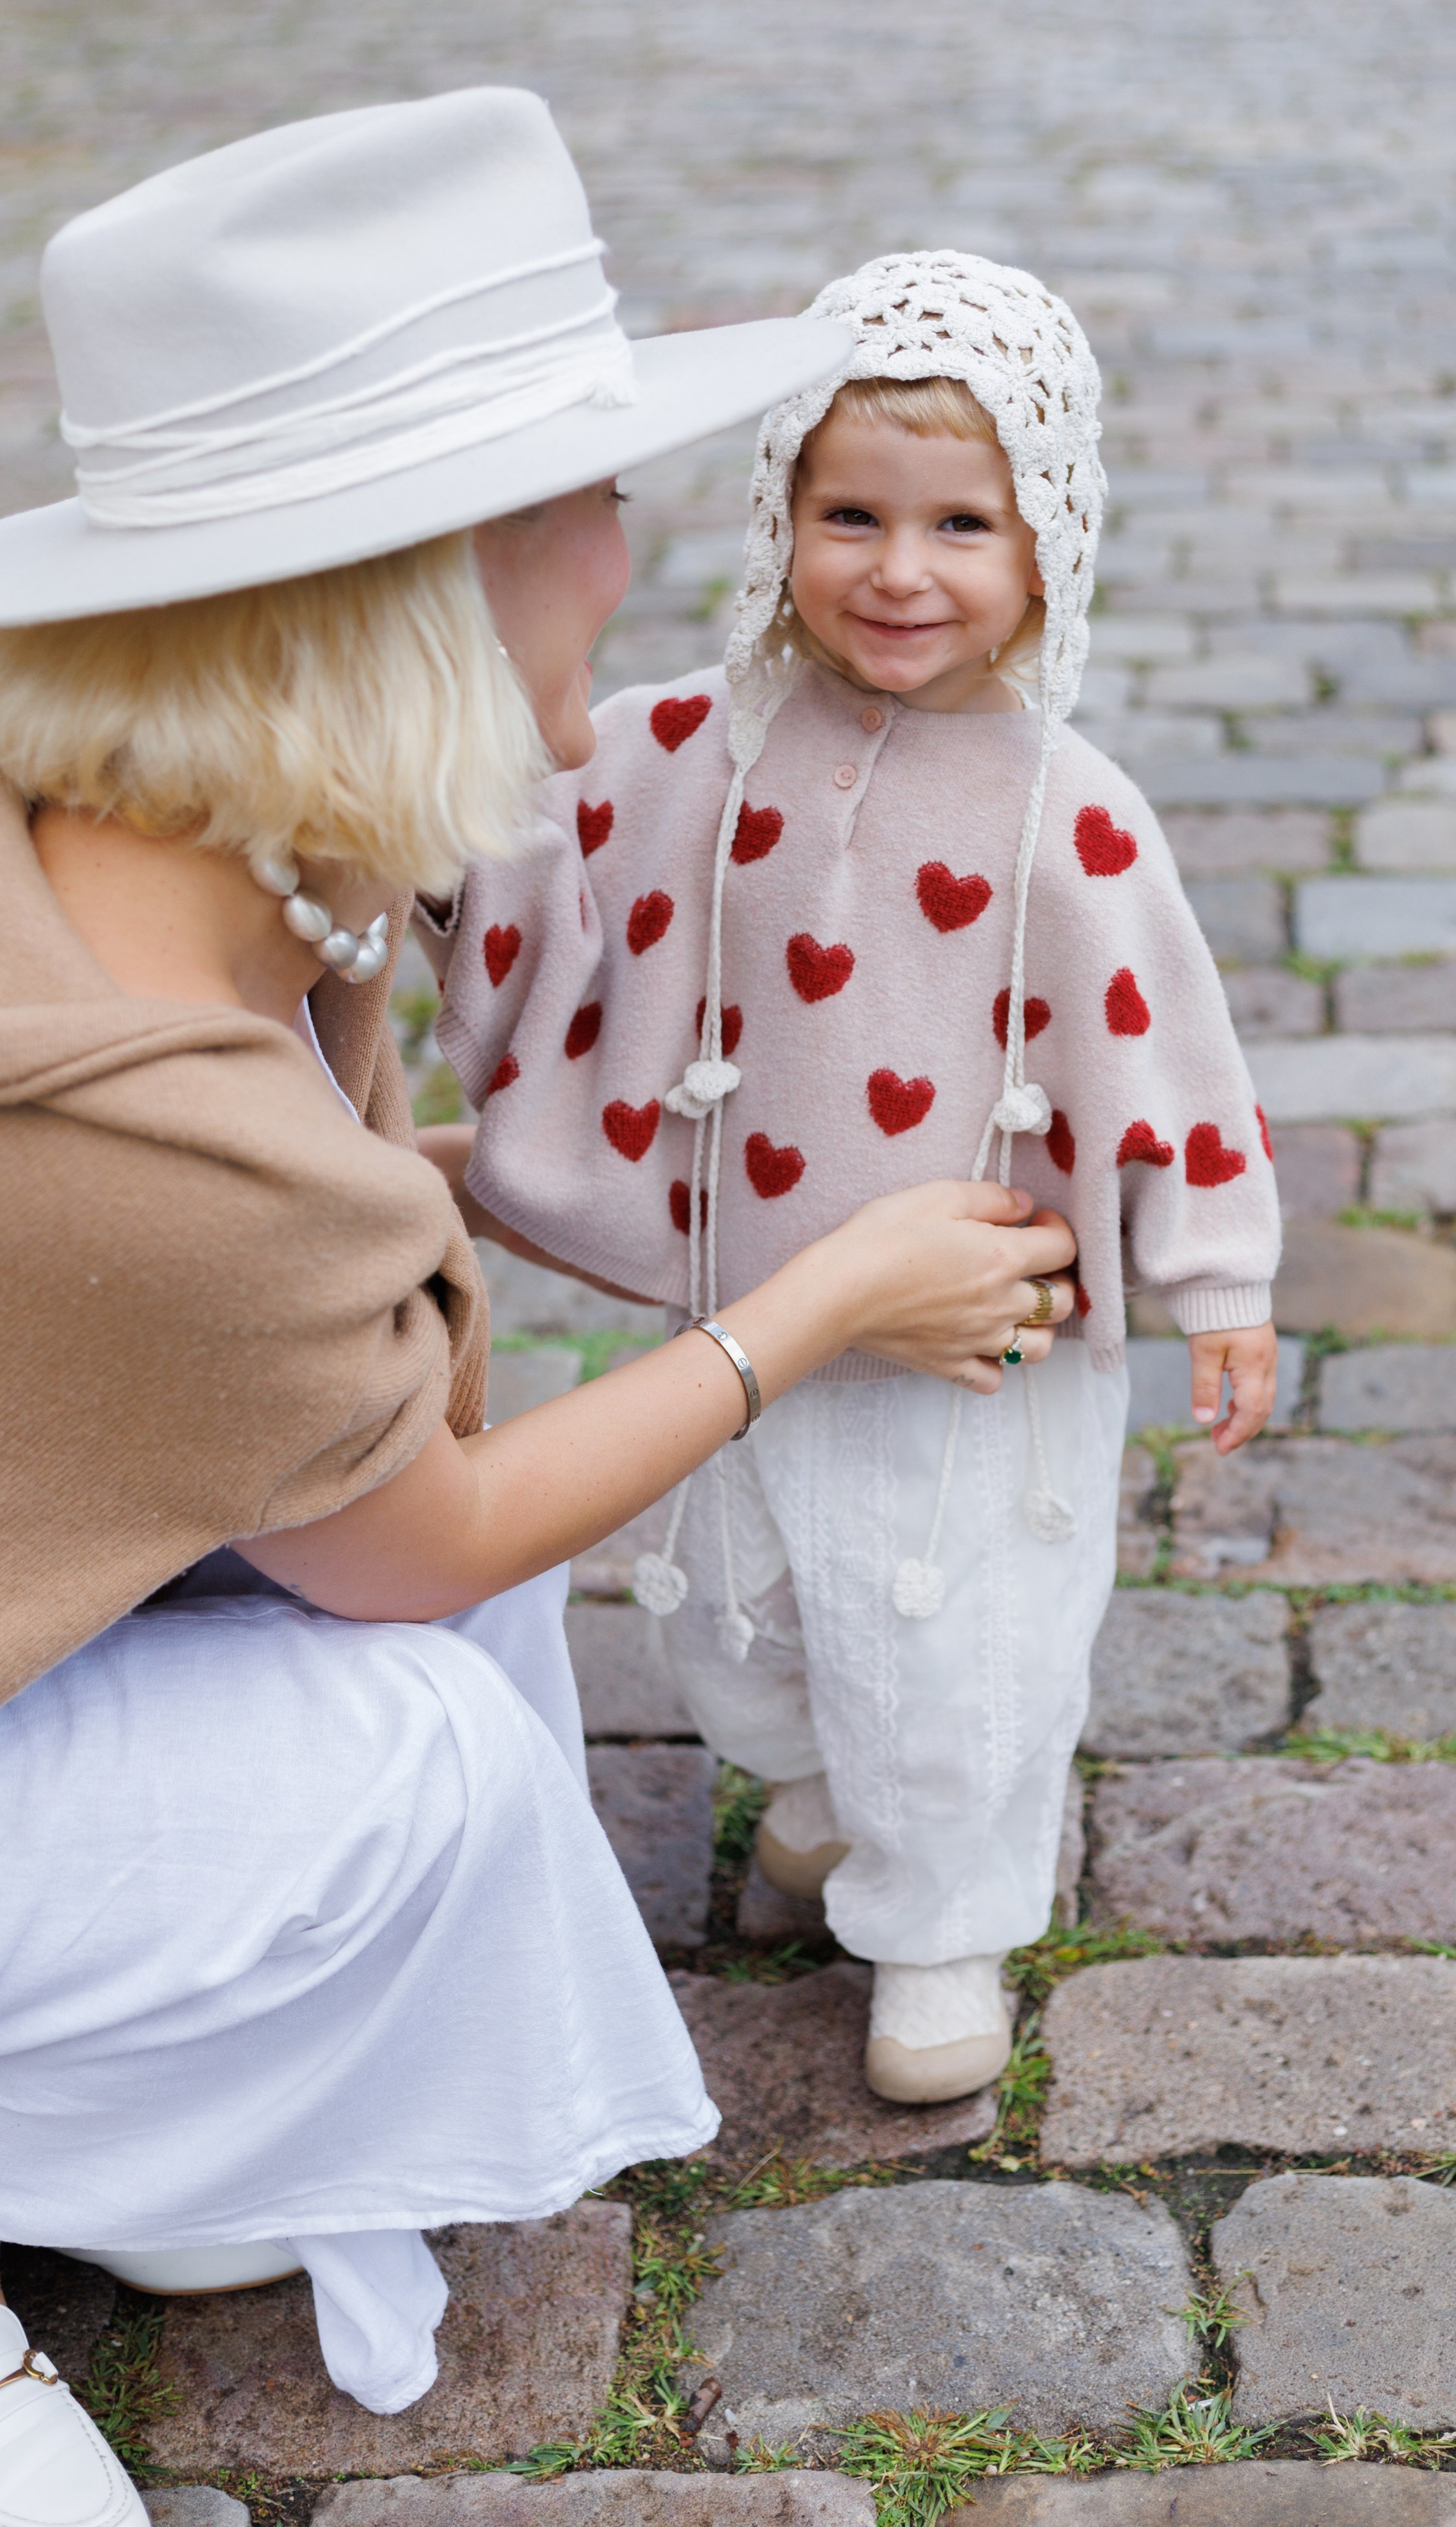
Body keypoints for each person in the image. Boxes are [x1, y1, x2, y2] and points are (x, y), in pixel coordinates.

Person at [0, 102, 1081, 2527]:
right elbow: (424, 1526)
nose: (596, 700)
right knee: (435, 1741)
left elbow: (232, 1335)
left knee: (447, 1660)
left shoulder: (154, 861)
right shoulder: (177, 1142)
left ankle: (155, 2099)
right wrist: (821, 1297)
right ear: (417, 609)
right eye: (578, 562)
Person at [418, 251, 1282, 2110]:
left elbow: (1171, 1053)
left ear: (1049, 539)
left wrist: (1220, 1278)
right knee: (748, 1594)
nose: (902, 571)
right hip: (761, 1291)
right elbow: (525, 848)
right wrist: (426, 842)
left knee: (952, 1641)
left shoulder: (1074, 809)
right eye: (852, 515)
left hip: (976, 1325)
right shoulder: (691, 743)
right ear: (779, 516)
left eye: (962, 522)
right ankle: (811, 1783)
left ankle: (945, 1918)